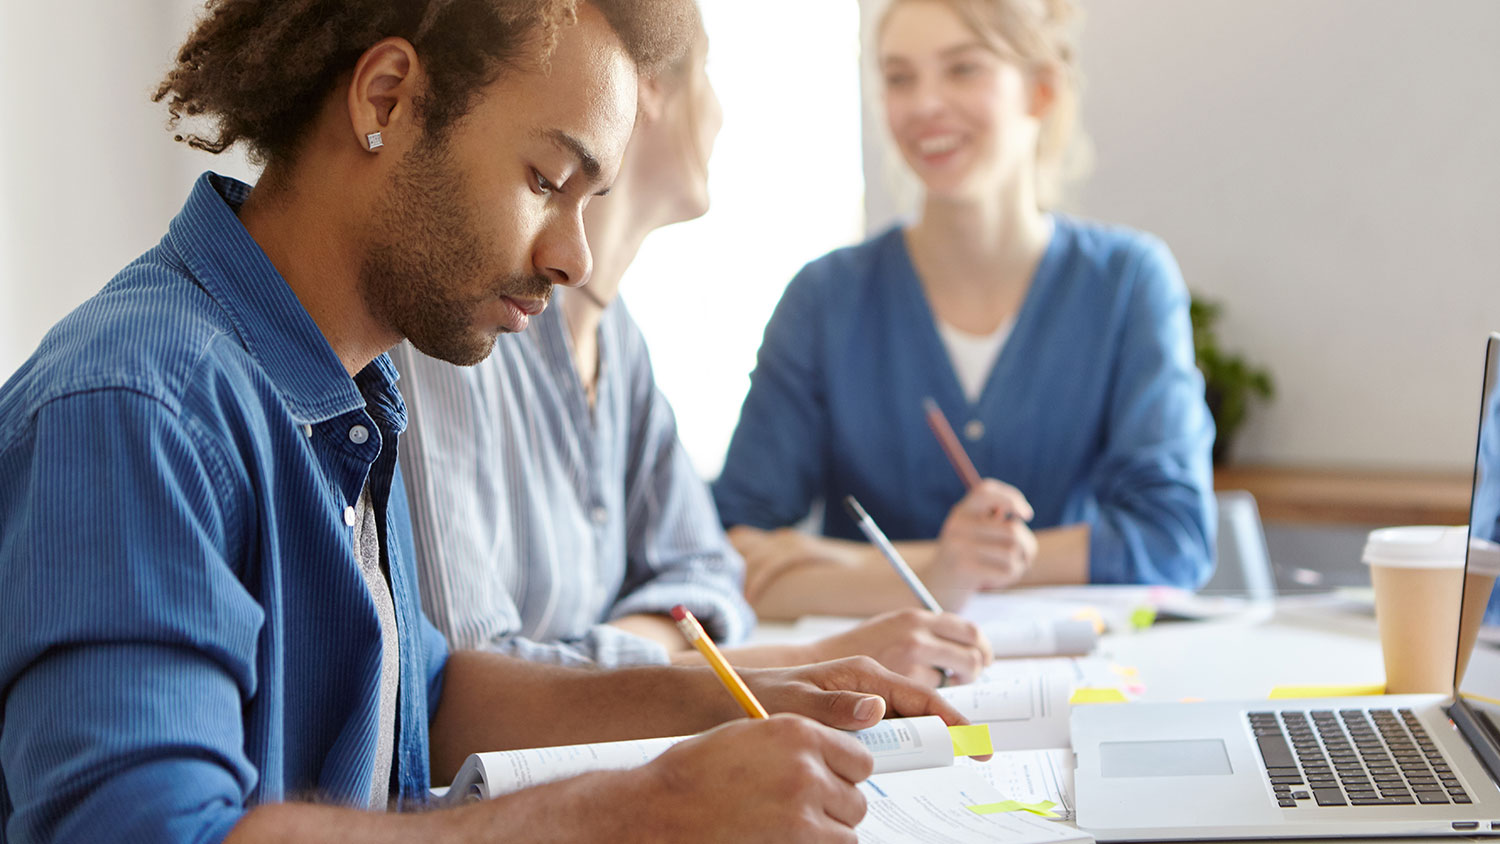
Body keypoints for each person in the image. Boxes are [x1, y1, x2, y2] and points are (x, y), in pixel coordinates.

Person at [0, 3, 966, 842]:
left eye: (592, 201)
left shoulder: (348, 388)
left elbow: (428, 695)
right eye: (547, 180)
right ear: (385, 99)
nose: (574, 258)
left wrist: (733, 697)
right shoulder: (136, 412)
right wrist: (644, 814)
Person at [391, 11, 994, 689]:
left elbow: (707, 570)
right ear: (644, 83)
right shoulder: (462, 324)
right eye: (707, 72)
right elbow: (471, 686)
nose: (722, 112)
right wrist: (698, 658)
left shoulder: (620, 344)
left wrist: (633, 652)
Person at [712, 0, 1216, 620]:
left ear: (1040, 90)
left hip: (1083, 681)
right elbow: (735, 548)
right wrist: (941, 564)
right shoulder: (824, 299)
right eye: (899, 78)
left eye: (963, 69)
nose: (924, 104)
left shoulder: (1127, 282)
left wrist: (881, 566)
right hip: (875, 689)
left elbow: (1174, 539)